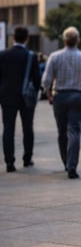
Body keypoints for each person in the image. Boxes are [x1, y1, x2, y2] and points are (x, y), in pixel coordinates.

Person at [41, 26, 81, 178]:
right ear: (77, 40)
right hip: (78, 96)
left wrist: (49, 95)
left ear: (64, 40)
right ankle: (72, 166)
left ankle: (66, 162)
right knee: (74, 131)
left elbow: (46, 80)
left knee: (62, 132)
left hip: (60, 96)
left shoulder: (54, 56)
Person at [0, 26, 41, 172]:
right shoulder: (30, 56)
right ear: (27, 39)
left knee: (8, 129)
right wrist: (35, 93)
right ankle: (27, 159)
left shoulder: (3, 55)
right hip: (26, 98)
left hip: (6, 97)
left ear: (13, 38)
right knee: (28, 128)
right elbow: (37, 79)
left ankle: (9, 162)